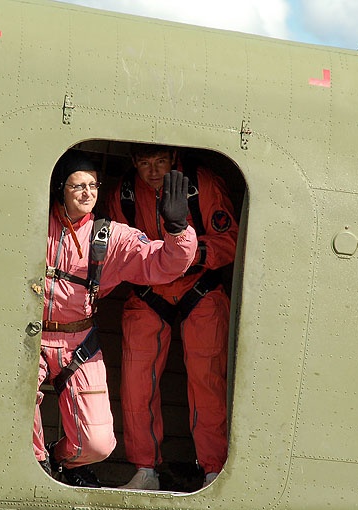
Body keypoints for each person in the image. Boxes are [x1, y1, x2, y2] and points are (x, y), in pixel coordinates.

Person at [34, 151, 197, 488]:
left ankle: (60, 459)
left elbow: (162, 264)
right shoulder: (34, 223)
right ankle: (38, 465)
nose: (87, 193)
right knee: (14, 413)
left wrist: (178, 231)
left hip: (78, 343)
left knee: (97, 445)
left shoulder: (109, 236)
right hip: (30, 336)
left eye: (93, 185)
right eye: (78, 186)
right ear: (60, 189)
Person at [108, 144, 238, 490]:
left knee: (207, 381)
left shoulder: (200, 184)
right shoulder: (124, 193)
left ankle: (213, 469)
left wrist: (187, 252)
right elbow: (114, 247)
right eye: (144, 163)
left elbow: (230, 239)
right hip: (148, 290)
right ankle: (145, 470)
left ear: (174, 159)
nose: (153, 171)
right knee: (135, 383)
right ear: (133, 162)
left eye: (160, 162)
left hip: (200, 285)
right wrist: (154, 262)